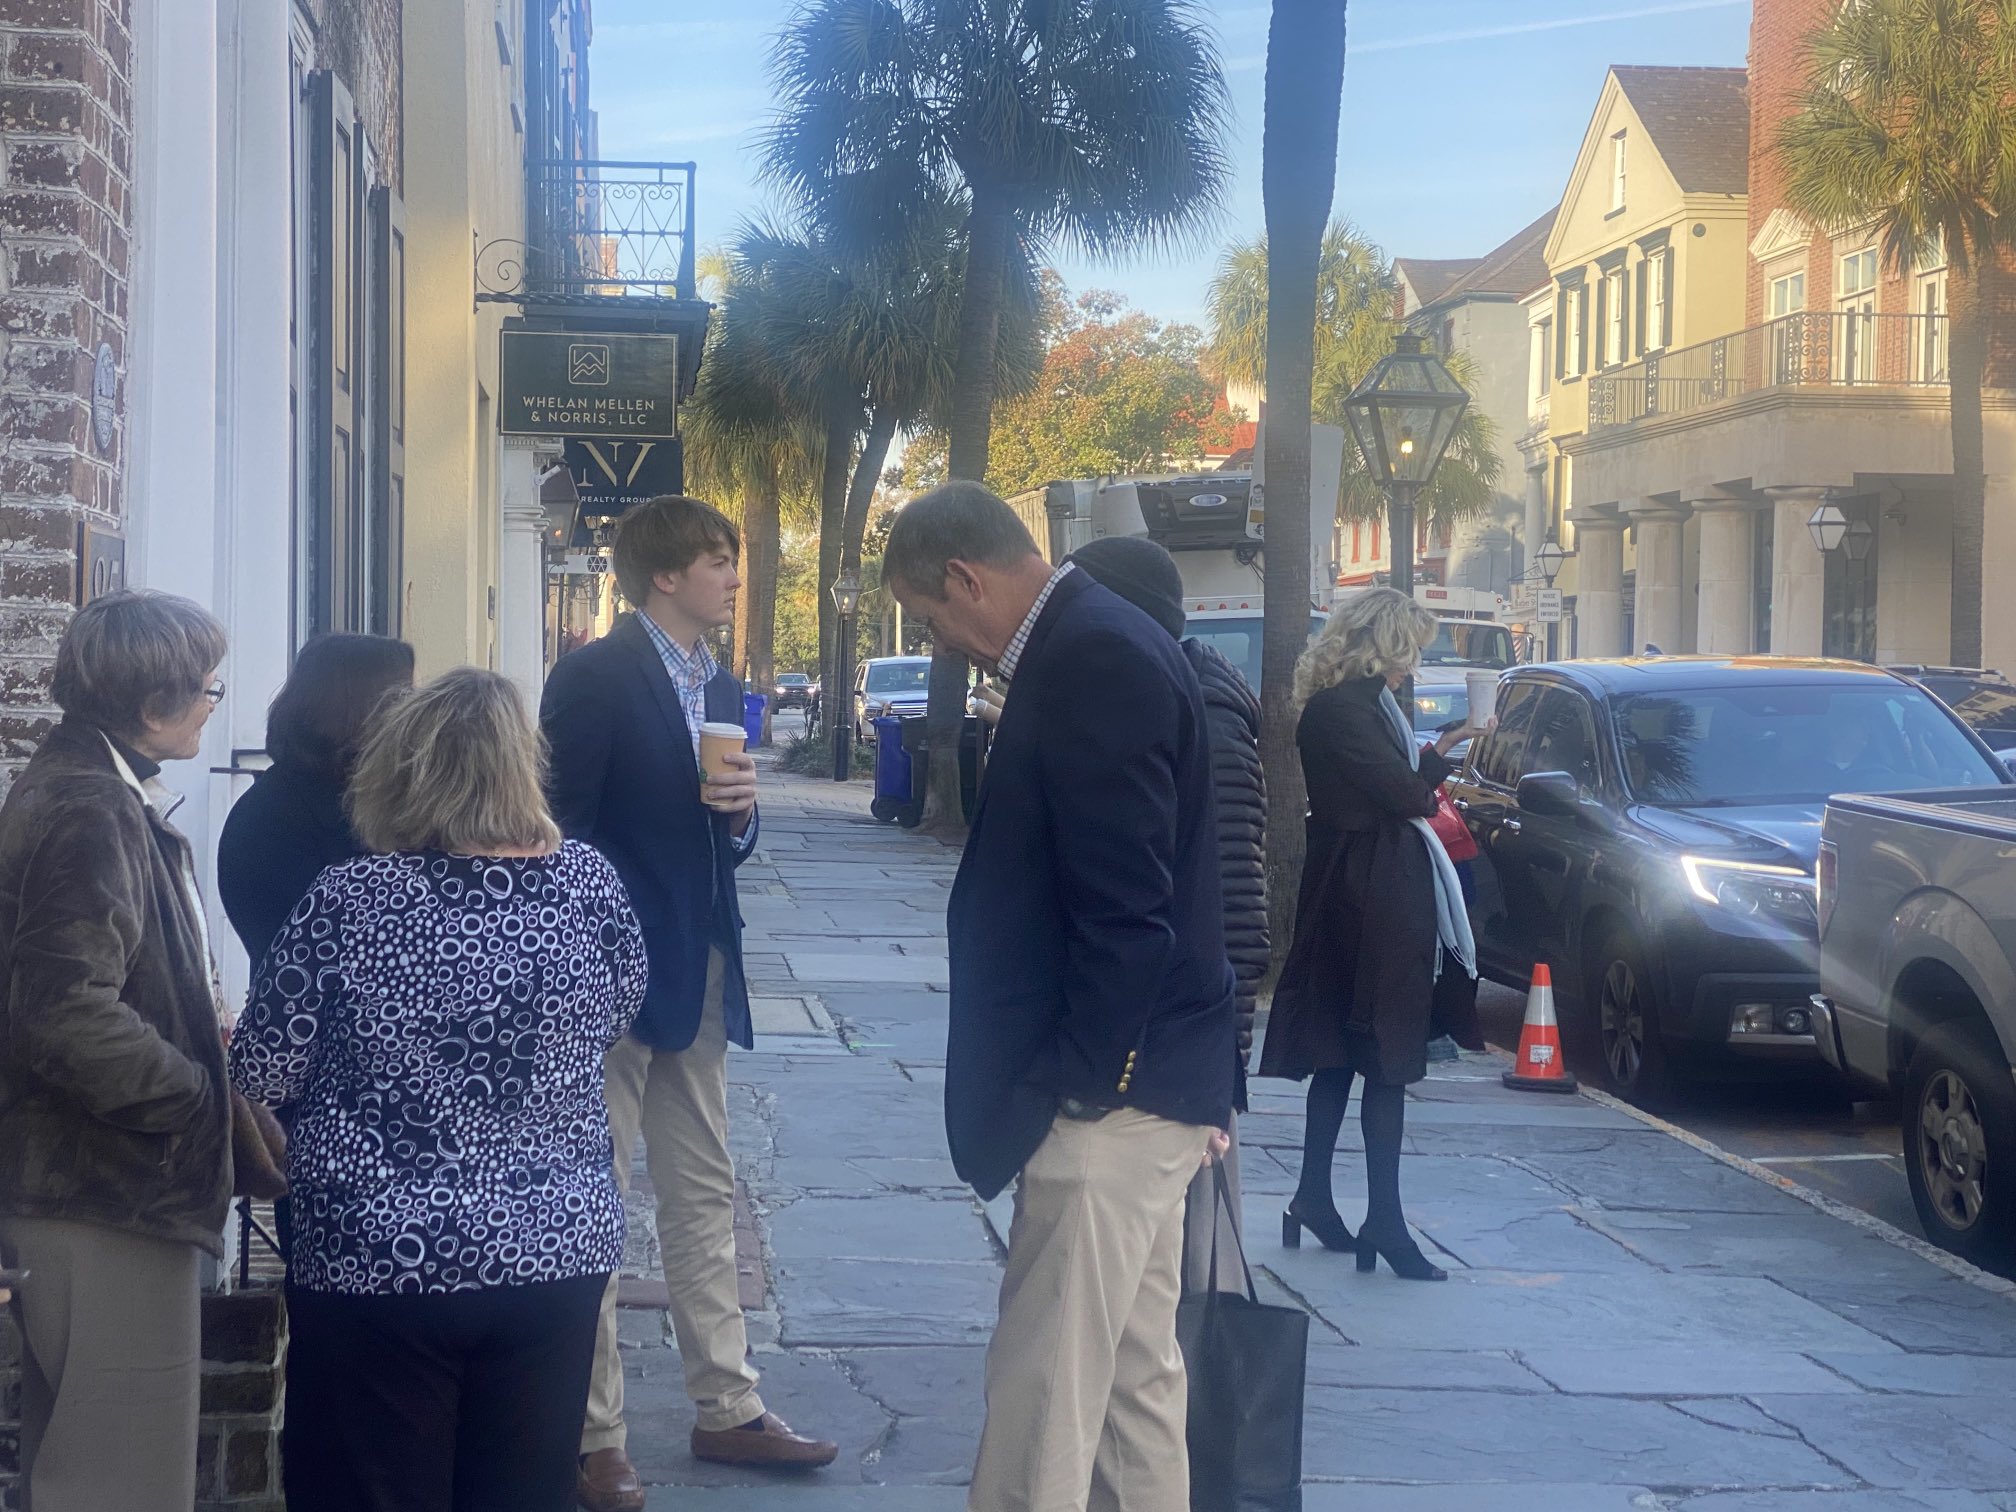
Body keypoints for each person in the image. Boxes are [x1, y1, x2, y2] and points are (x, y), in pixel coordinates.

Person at [882, 483, 1237, 1512]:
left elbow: (1128, 911)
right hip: (1149, 1083)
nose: (942, 646)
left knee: (1047, 1387)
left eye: (930, 620)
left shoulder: (1091, 655)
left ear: (966, 578)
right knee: (1132, 1386)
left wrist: (1085, 1083)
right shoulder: (1095, 640)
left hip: (1115, 1100)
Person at [229, 667, 646, 1512]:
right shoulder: (590, 885)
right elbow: (617, 1012)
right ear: (522, 768)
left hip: (377, 1255)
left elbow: (264, 1071)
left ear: (401, 769)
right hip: (552, 1247)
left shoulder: (350, 901)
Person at [540, 495, 837, 1512]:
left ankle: (729, 1406)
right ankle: (594, 1436)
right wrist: (587, 957)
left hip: (701, 965)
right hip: (608, 981)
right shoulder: (593, 678)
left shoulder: (720, 682)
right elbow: (557, 829)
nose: (734, 577)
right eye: (717, 561)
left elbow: (722, 835)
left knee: (704, 1188)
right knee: (594, 1199)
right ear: (664, 575)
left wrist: (743, 818)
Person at [0, 590, 235, 1512]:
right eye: (207, 688)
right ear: (150, 704)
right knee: (120, 1482)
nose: (214, 705)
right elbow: (62, 1010)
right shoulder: (91, 805)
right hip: (107, 1191)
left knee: (87, 1472)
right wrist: (189, 1097)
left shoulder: (83, 787)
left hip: (93, 1185)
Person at [1259, 589, 1490, 1282]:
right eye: (1409, 646)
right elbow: (1408, 796)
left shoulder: (1356, 706)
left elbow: (1400, 787)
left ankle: (1316, 1197)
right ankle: (1382, 1221)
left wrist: (1443, 746)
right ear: (1384, 643)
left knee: (1342, 1053)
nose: (1413, 662)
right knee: (1386, 1055)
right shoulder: (1346, 710)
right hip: (1371, 892)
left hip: (1357, 886)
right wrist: (1439, 756)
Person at [1065, 536, 1266, 1293]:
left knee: (1176, 1278)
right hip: (1172, 1048)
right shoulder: (1169, 695)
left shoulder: (1195, 708)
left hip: (1180, 1055)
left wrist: (1219, 1075)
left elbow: (1231, 896)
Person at [218, 633, 416, 965]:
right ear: (367, 709)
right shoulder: (280, 818)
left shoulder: (325, 798)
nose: (417, 714)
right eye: (407, 697)